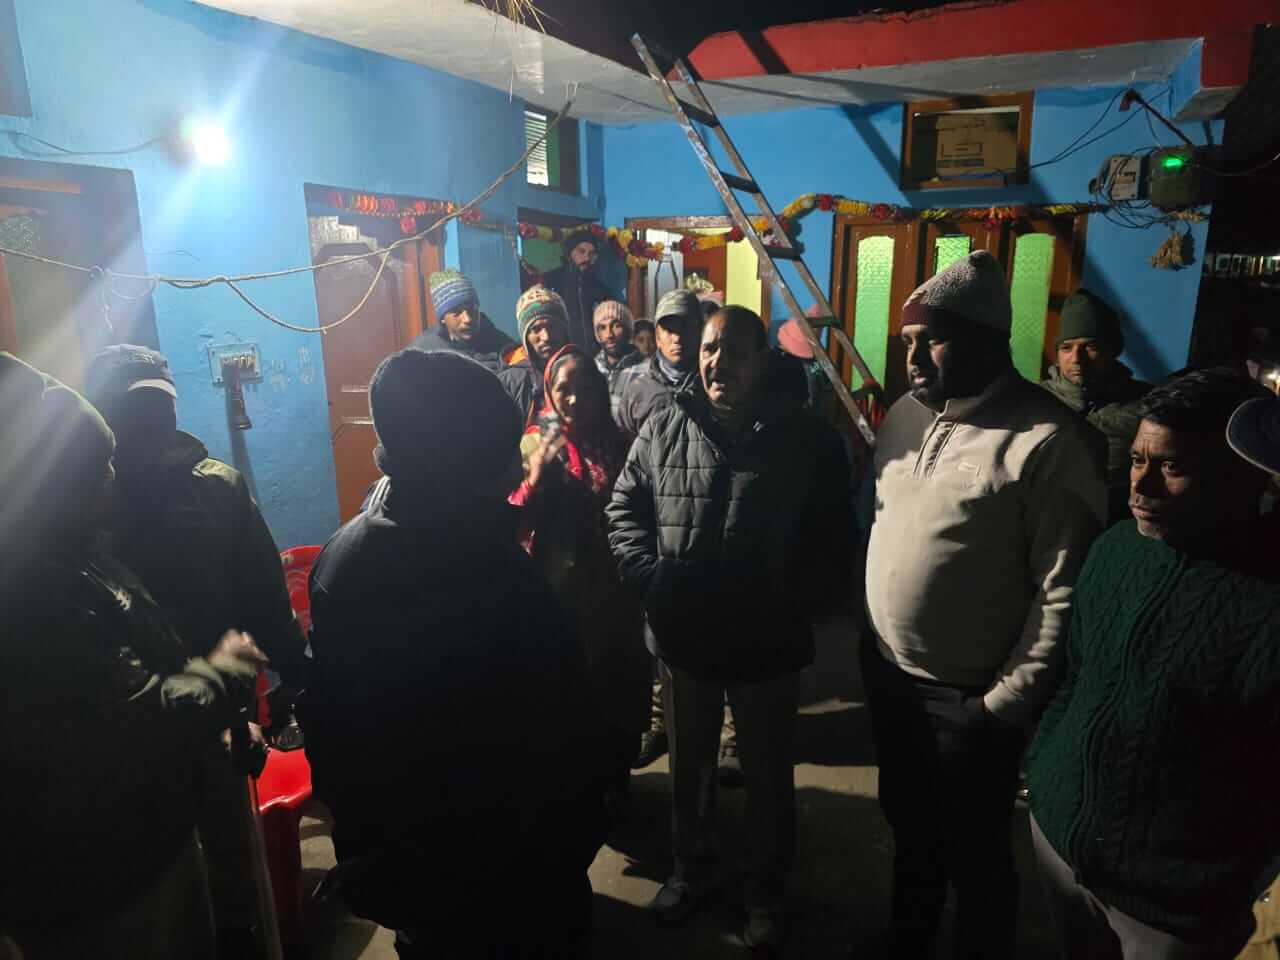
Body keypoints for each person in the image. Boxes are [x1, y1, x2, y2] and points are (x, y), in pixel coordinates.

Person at [301, 349, 614, 958]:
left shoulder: (343, 560)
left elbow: (328, 726)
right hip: (519, 883)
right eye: (501, 453)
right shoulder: (499, 577)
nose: (514, 466)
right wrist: (579, 832)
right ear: (463, 462)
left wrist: (365, 855)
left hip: (412, 882)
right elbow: (564, 734)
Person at [863, 251, 1107, 959]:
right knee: (911, 831)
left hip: (970, 698)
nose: (912, 358)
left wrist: (1000, 706)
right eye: (908, 341)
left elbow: (1060, 590)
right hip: (892, 679)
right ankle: (908, 942)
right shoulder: (904, 417)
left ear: (987, 341)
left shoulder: (1050, 439)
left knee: (975, 855)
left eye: (931, 340)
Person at [0, 353, 265, 960]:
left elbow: (249, 595)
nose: (112, 480)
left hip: (149, 828)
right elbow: (137, 717)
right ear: (55, 488)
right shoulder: (37, 594)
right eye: (97, 471)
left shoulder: (79, 554)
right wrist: (221, 674)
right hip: (100, 873)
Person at [607, 306, 852, 948]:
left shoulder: (807, 440)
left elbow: (835, 540)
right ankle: (691, 871)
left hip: (766, 644)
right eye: (710, 349)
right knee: (689, 771)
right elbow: (624, 508)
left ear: (762, 360)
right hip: (683, 637)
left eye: (735, 351)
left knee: (768, 776)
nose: (718, 362)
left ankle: (764, 891)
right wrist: (651, 578)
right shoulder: (665, 423)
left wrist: (790, 600)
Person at [1026, 368, 1278, 960]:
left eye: (1172, 466)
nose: (1141, 483)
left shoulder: (1266, 605)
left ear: (1239, 475)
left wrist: (1223, 880)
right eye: (1138, 459)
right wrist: (1047, 771)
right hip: (1059, 844)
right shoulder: (1115, 549)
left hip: (1170, 906)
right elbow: (1076, 676)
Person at [84, 344, 308, 958]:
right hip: (134, 749)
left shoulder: (217, 490)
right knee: (165, 901)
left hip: (221, 729)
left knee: (237, 886)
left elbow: (266, 602)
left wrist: (297, 685)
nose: (152, 419)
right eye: (134, 407)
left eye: (160, 403)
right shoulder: (89, 507)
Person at [510, 344, 650, 787]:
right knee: (569, 688)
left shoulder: (623, 443)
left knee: (618, 683)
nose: (574, 400)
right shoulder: (533, 445)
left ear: (600, 391)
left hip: (616, 590)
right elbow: (514, 523)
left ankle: (617, 784)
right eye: (563, 389)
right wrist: (535, 479)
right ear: (549, 392)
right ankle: (577, 791)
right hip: (560, 592)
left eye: (585, 389)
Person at [614, 288, 703, 771]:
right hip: (654, 520)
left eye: (685, 326)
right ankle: (658, 722)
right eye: (668, 327)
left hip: (701, 515)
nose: (676, 336)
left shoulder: (714, 378)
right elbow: (622, 447)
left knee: (713, 631)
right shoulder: (636, 384)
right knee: (655, 630)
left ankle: (725, 732)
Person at [1041, 289, 1151, 524]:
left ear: (1112, 350)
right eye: (1066, 347)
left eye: (1090, 346)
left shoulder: (1146, 406)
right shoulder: (1036, 400)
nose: (1076, 358)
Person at [409, 268, 516, 374]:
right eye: (457, 312)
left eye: (472, 309)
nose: (467, 319)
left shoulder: (504, 346)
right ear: (442, 318)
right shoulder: (422, 352)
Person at [499, 284, 572, 426]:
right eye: (536, 329)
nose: (546, 337)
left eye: (552, 326)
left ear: (564, 330)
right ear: (525, 336)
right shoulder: (510, 383)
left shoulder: (584, 371)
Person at [542, 229, 617, 350]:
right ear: (569, 253)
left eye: (591, 253)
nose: (587, 258)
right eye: (581, 251)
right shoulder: (550, 281)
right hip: (562, 353)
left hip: (594, 355)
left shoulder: (599, 288)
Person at [592, 300, 646, 422]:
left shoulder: (647, 370)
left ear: (628, 330)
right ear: (597, 334)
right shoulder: (591, 369)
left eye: (616, 325)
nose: (609, 334)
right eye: (602, 328)